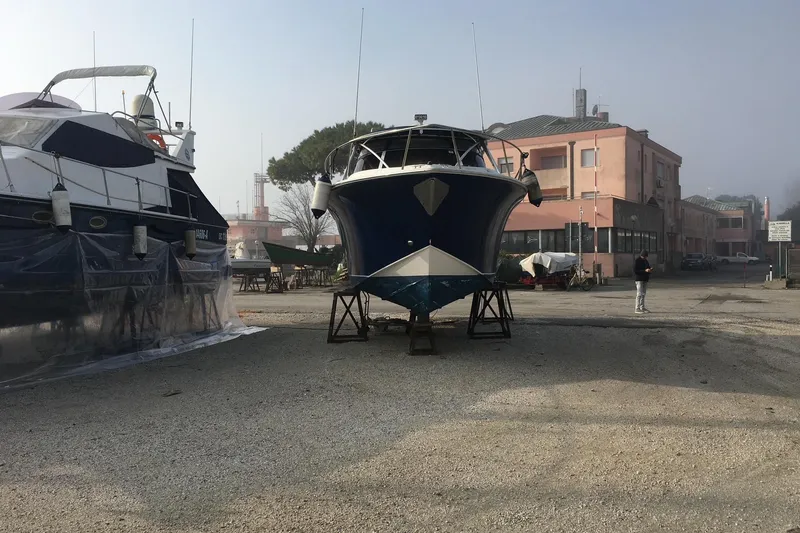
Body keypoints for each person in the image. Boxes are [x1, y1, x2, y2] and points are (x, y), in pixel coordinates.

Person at [634, 250, 653, 314]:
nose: (645, 258)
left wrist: (650, 269)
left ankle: (642, 307)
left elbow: (647, 267)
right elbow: (635, 271)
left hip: (645, 279)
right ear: (642, 255)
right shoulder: (637, 261)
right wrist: (645, 270)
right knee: (639, 294)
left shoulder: (645, 261)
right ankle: (637, 308)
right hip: (639, 279)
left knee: (643, 294)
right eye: (644, 257)